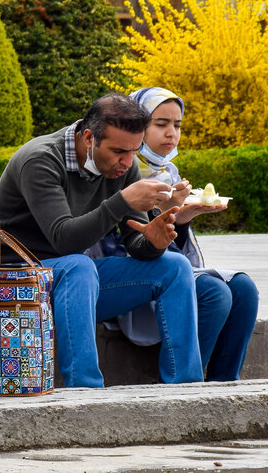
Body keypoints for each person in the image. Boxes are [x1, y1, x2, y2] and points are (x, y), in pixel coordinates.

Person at [0, 93, 203, 388]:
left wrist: (154, 241)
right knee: (79, 265)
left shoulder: (124, 167)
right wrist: (121, 200)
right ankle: (86, 391)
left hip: (71, 282)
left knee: (175, 266)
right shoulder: (40, 160)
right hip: (13, 277)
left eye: (134, 151)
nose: (127, 163)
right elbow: (64, 239)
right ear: (89, 137)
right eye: (118, 152)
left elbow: (135, 243)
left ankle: (185, 387)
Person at [88, 87, 259, 381]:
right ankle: (181, 386)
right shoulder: (119, 167)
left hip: (164, 265)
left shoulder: (168, 171)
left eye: (177, 125)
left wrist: (181, 217)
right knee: (214, 292)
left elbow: (171, 246)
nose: (171, 133)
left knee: (243, 287)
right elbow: (124, 243)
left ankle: (222, 385)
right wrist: (162, 213)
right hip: (130, 275)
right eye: (160, 124)